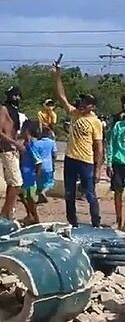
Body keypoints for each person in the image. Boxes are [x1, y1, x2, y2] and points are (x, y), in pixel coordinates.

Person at [53, 66, 104, 228]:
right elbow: (62, 97)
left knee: (89, 194)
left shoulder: (95, 122)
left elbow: (99, 147)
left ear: (92, 107)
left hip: (86, 161)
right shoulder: (74, 113)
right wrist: (57, 77)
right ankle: (72, 222)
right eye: (82, 101)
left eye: (86, 103)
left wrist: (98, 169)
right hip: (70, 159)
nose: (82, 104)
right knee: (69, 193)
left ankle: (96, 222)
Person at [0, 86, 24, 219]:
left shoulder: (15, 111)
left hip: (13, 149)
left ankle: (7, 211)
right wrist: (15, 143)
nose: (16, 98)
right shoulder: (4, 109)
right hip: (7, 149)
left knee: (11, 182)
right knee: (17, 183)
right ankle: (6, 212)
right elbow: (0, 132)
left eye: (18, 95)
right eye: (14, 95)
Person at [107, 95, 125, 231]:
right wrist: (109, 163)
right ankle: (119, 220)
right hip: (118, 163)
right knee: (118, 193)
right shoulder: (118, 125)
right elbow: (111, 144)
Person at [35, 126, 58, 204]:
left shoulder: (37, 143)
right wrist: (53, 163)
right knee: (50, 182)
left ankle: (39, 197)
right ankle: (44, 192)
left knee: (39, 182)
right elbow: (54, 154)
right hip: (48, 165)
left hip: (39, 166)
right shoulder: (52, 143)